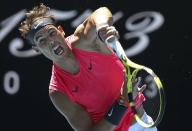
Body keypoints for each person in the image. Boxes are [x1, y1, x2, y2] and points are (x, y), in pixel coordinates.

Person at [19, 3, 157, 131]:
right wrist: (122, 102)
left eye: (52, 33)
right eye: (41, 40)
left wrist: (102, 26)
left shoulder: (84, 42)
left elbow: (101, 12)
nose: (51, 41)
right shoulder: (58, 92)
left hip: (144, 124)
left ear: (61, 31)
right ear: (36, 49)